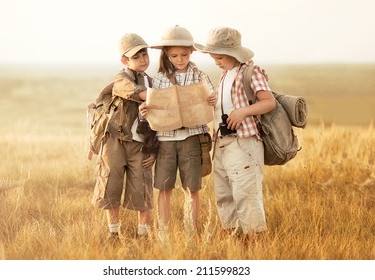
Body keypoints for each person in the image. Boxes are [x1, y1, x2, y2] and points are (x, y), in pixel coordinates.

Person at [194, 27, 276, 239]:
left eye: (219, 57)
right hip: (222, 143)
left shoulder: (250, 71)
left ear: (232, 54)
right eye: (214, 58)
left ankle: (253, 241)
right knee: (224, 193)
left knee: (246, 193)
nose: (217, 62)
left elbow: (269, 102)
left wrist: (243, 112)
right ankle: (231, 238)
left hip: (244, 142)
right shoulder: (225, 75)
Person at [140, 25, 216, 233]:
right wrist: (146, 110)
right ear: (166, 54)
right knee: (163, 187)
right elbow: (152, 109)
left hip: (192, 137)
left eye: (184, 54)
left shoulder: (200, 76)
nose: (180, 59)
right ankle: (163, 232)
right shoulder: (160, 79)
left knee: (192, 188)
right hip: (165, 140)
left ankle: (192, 230)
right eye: (174, 55)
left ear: (191, 52)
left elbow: (213, 103)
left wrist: (213, 99)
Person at [91, 33, 158, 238]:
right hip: (115, 142)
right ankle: (113, 234)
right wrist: (161, 98)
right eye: (136, 57)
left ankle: (143, 233)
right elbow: (138, 93)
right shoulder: (121, 79)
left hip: (140, 144)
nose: (143, 60)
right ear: (125, 60)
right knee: (111, 183)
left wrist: (153, 149)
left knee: (142, 185)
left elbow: (160, 121)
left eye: (145, 54)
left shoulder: (152, 82)